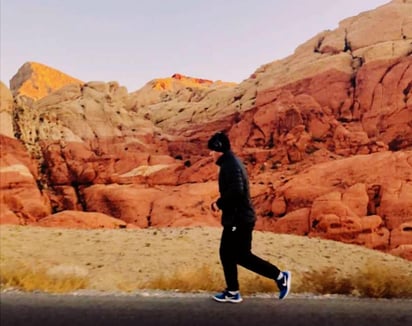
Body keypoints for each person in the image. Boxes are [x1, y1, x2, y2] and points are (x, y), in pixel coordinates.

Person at [207, 131, 291, 303]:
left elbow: (237, 191)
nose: (210, 154)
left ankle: (278, 277)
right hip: (240, 218)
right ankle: (235, 290)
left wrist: (219, 203)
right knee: (237, 255)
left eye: (211, 151)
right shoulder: (230, 162)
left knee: (233, 254)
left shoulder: (230, 165)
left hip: (239, 219)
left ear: (218, 149)